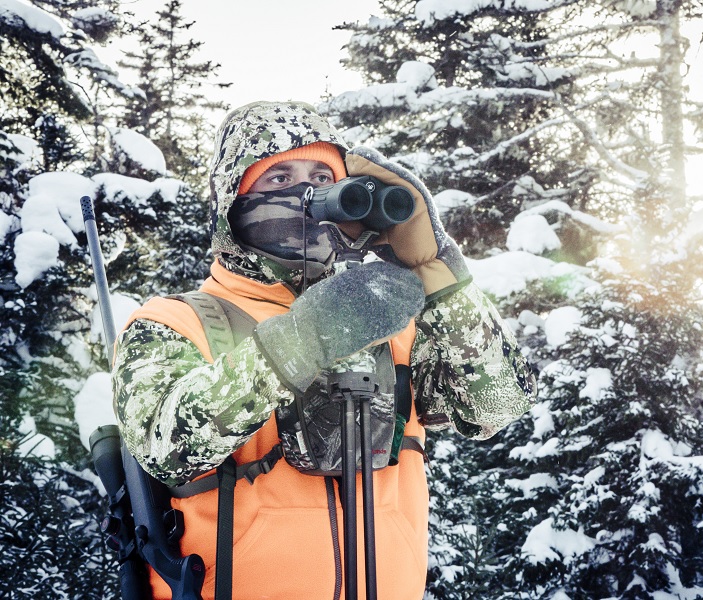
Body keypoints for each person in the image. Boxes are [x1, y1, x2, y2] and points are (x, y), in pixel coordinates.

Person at [112, 100, 536, 600]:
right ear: (232, 201)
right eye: (278, 179)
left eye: (322, 176)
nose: (306, 193)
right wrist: (306, 337)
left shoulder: (389, 322)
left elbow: (496, 406)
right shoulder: (175, 322)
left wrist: (437, 269)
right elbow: (167, 445)